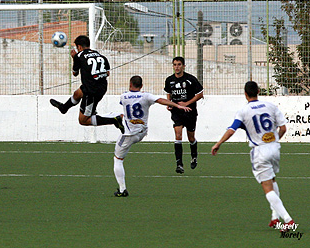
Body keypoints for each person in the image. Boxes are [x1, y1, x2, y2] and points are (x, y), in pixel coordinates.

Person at [211, 81, 296, 231]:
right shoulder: (270, 106)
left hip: (260, 151)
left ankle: (288, 221)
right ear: (258, 91)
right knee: (272, 180)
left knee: (267, 187)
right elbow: (283, 128)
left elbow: (232, 130)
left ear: (245, 94)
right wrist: (274, 140)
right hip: (275, 148)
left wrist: (218, 143)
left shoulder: (243, 111)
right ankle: (275, 218)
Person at [113, 75, 191, 197]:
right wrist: (177, 105)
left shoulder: (123, 96)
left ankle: (122, 190)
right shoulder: (146, 96)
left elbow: (126, 102)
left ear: (130, 84)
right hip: (142, 132)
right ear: (142, 86)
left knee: (118, 159)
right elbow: (161, 100)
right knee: (120, 119)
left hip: (129, 134)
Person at [50, 35, 123, 131]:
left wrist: (74, 58)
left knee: (83, 120)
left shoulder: (79, 56)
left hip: (91, 92)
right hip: (101, 86)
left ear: (79, 47)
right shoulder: (100, 55)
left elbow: (75, 73)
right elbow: (107, 73)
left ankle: (114, 120)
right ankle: (64, 108)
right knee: (77, 93)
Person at [164, 56, 204, 174]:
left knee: (191, 137)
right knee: (178, 135)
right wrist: (170, 103)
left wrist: (186, 103)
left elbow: (200, 94)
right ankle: (179, 164)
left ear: (184, 66)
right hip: (177, 112)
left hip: (190, 112)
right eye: (175, 65)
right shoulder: (169, 80)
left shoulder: (190, 79)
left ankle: (194, 156)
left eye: (179, 64)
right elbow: (168, 93)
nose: (177, 67)